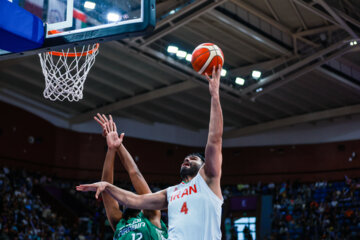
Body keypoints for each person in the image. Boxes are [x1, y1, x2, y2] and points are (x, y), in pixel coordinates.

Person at [77, 65, 224, 240]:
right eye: (186, 157)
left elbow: (214, 139)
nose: (187, 158)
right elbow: (133, 199)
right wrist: (107, 182)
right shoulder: (170, 193)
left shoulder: (208, 181)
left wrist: (215, 96)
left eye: (194, 158)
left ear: (205, 167)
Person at [94, 114, 168, 240]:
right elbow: (106, 189)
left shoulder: (151, 214)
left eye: (132, 197)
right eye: (125, 199)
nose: (127, 200)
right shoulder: (120, 223)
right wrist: (111, 149)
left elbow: (135, 174)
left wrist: (120, 147)